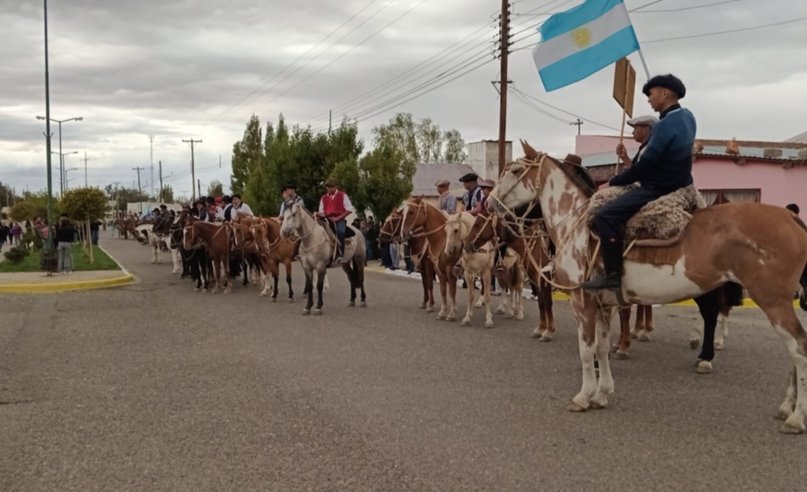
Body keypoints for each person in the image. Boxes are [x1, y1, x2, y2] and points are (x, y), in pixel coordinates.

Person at [583, 74, 696, 290]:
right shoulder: (688, 117)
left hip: (658, 188)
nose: (649, 99)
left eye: (651, 94)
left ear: (665, 93)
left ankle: (613, 276)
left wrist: (614, 181)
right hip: (683, 184)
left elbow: (644, 167)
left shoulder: (664, 125)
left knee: (605, 216)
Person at [317, 177, 354, 263]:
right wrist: (318, 214)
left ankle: (341, 254)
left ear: (336, 186)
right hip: (327, 219)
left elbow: (349, 209)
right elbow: (321, 211)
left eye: (331, 186)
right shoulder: (323, 198)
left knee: (340, 232)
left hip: (339, 219)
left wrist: (338, 218)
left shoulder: (343, 195)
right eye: (327, 187)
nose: (329, 188)